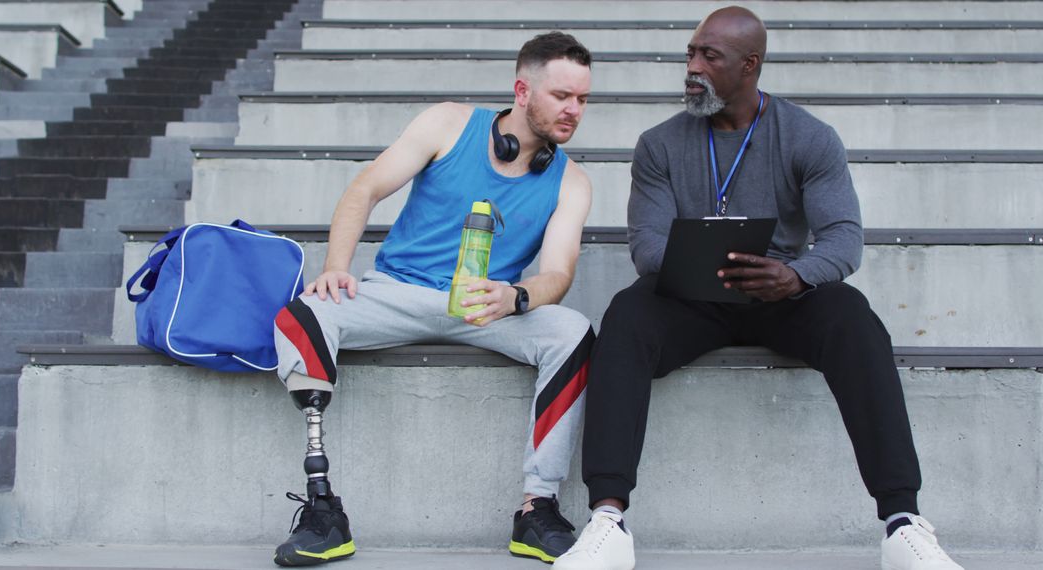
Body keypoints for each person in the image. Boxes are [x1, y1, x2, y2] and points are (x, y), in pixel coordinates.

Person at [553, 7, 963, 570]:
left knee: (853, 317)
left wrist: (796, 275)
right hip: (691, 299)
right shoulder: (659, 144)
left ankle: (902, 522)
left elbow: (843, 239)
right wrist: (690, 269)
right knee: (626, 315)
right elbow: (646, 244)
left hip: (780, 297)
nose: (692, 67)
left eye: (709, 57)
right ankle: (607, 519)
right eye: (691, 54)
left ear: (750, 66)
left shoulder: (808, 137)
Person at [270, 32, 595, 566]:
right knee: (303, 312)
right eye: (562, 95)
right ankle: (323, 510)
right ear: (521, 90)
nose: (573, 109)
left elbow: (558, 273)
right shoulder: (448, 123)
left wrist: (515, 296)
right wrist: (335, 269)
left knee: (573, 332)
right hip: (396, 292)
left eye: (582, 99)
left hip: (485, 310)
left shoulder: (572, 181)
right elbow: (364, 190)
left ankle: (538, 508)